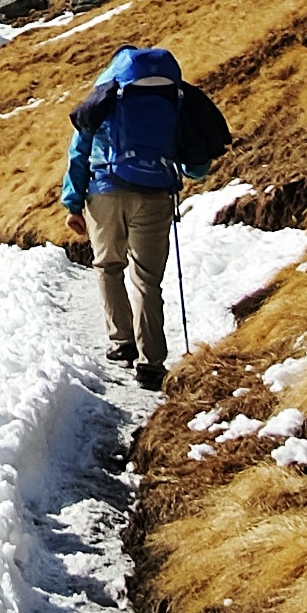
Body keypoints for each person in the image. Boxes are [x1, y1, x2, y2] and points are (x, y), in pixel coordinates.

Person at [60, 43, 228, 390]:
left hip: (105, 192)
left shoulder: (107, 93)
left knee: (109, 266)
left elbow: (80, 150)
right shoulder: (173, 95)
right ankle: (151, 364)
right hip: (155, 195)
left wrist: (73, 203)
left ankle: (122, 343)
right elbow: (196, 164)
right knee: (147, 279)